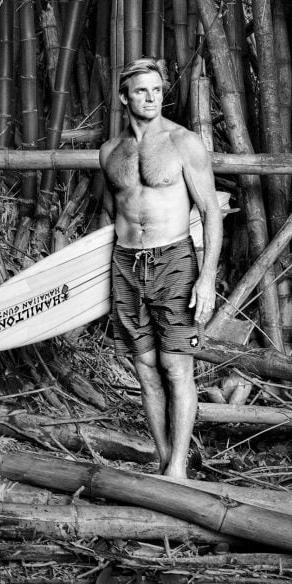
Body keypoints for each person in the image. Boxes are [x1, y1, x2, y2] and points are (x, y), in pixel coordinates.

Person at [99, 57, 223, 480]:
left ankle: (178, 471)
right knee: (145, 369)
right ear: (124, 97)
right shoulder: (109, 152)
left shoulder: (183, 142)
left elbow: (210, 211)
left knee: (176, 366)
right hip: (125, 264)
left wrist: (206, 278)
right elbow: (111, 218)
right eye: (141, 91)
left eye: (156, 90)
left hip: (173, 260)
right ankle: (164, 458)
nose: (151, 98)